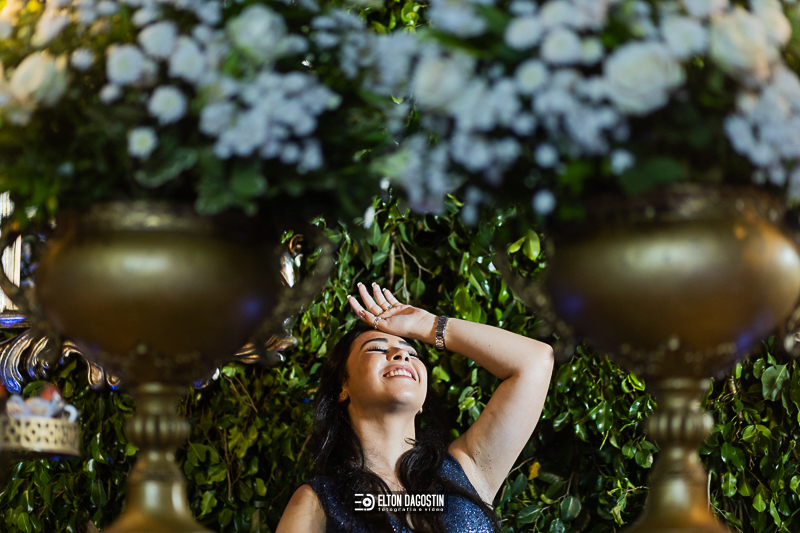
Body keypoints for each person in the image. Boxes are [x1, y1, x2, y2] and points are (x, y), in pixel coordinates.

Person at [276, 281, 554, 532]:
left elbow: (535, 361)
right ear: (342, 387)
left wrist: (428, 325)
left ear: (421, 403)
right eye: (376, 348)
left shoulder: (467, 471)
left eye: (412, 353)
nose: (401, 354)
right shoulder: (319, 502)